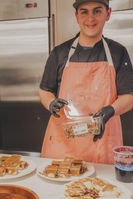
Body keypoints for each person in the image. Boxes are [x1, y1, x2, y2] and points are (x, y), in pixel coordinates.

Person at [39, 0, 133, 164]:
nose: (90, 18)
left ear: (108, 14)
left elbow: (129, 96)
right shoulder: (59, 53)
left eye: (97, 11)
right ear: (77, 16)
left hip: (103, 141)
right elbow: (45, 90)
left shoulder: (118, 52)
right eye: (84, 12)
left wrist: (111, 110)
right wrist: (50, 103)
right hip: (63, 143)